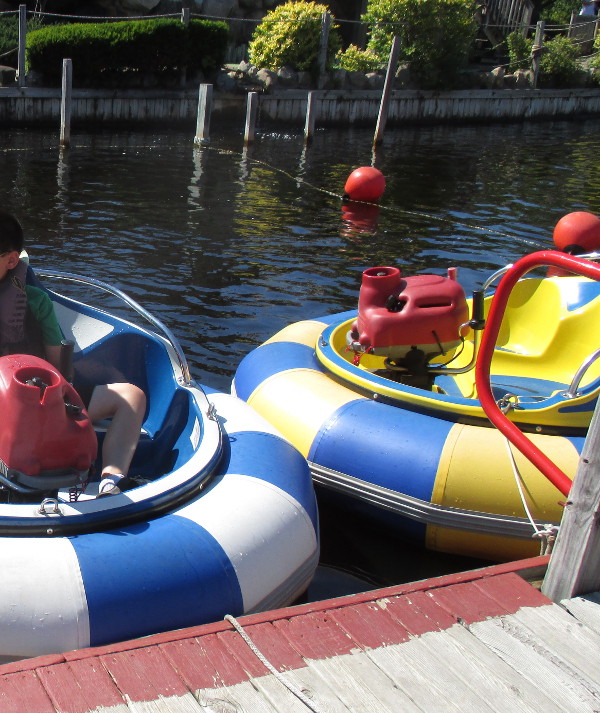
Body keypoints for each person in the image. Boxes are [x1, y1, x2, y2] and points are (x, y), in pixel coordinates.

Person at [0, 211, 146, 498]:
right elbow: (57, 368)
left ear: (12, 260)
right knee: (132, 397)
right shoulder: (37, 300)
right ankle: (112, 477)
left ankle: (110, 480)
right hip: (41, 406)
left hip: (22, 413)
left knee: (132, 394)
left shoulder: (37, 300)